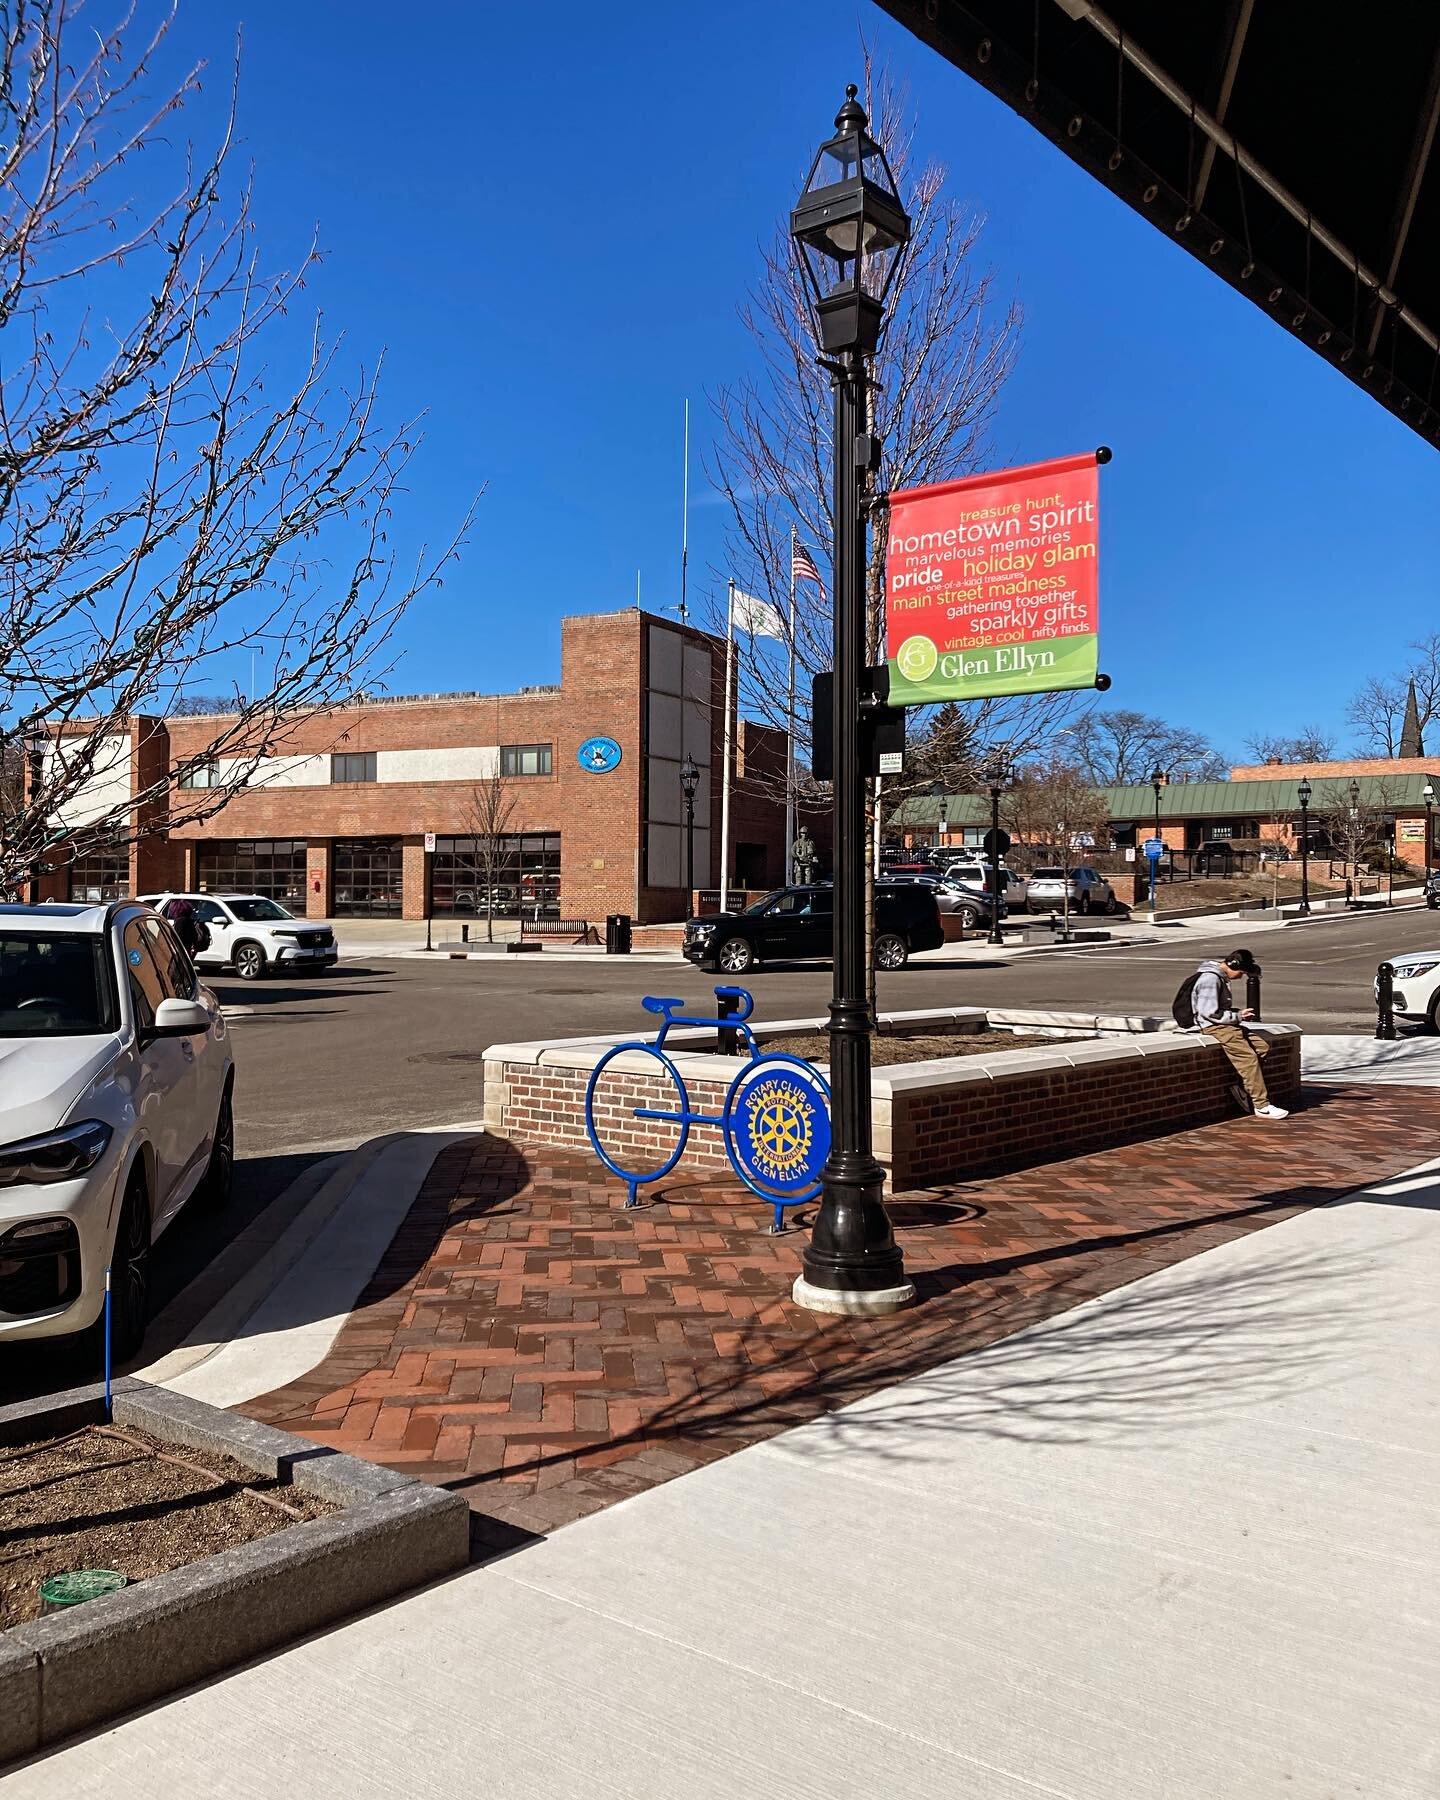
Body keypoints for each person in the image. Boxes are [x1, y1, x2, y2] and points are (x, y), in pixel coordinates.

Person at [1179, 947, 1288, 1119]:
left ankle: (1243, 1089)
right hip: (1213, 1026)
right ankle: (1262, 1106)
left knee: (1262, 1047)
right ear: (1233, 966)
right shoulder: (1210, 979)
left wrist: (1236, 1015)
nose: (1241, 977)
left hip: (1224, 1024)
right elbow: (1209, 1012)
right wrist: (1237, 1015)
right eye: (1242, 973)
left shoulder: (1217, 977)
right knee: (1248, 1059)